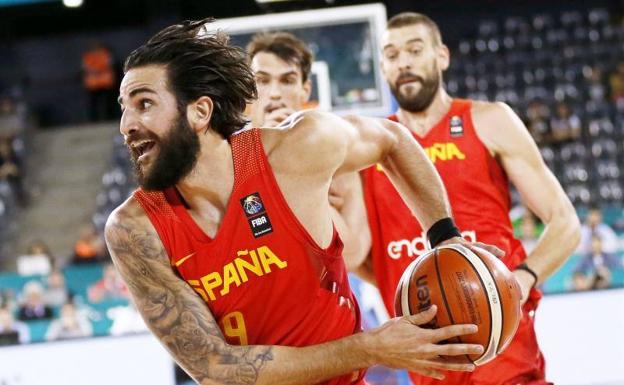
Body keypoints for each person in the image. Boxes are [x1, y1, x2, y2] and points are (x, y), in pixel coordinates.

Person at [105, 19, 486, 385]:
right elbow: (217, 370)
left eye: (144, 104)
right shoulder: (135, 230)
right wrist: (369, 347)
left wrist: (445, 235)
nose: (126, 125)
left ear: (200, 112)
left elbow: (393, 140)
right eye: (124, 107)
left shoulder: (297, 151)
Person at [336, 12, 581, 385]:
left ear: (442, 56)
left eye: (414, 50)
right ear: (382, 67)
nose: (403, 61)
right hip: (429, 350)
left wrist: (522, 278)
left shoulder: (488, 120)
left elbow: (565, 223)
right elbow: (358, 257)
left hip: (501, 343)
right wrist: (406, 284)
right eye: (391, 54)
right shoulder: (371, 147)